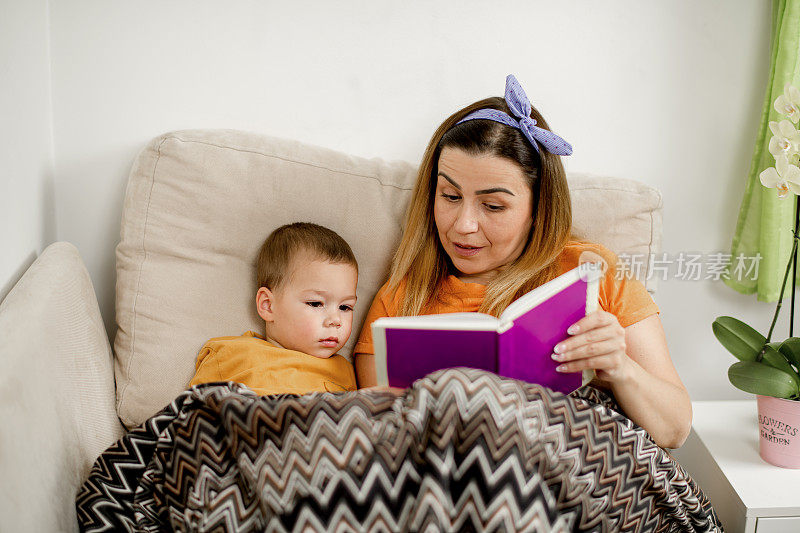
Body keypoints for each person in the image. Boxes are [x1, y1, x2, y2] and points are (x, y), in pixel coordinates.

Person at [353, 75, 691, 449]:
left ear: (537, 210)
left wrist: (620, 368)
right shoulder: (400, 300)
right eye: (449, 196)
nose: (463, 225)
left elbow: (675, 429)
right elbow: (380, 440)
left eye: (493, 206)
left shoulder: (593, 273)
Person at [190, 222, 358, 395]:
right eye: (316, 303)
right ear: (268, 306)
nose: (336, 320)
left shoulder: (344, 370)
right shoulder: (232, 355)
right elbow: (191, 412)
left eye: (345, 307)